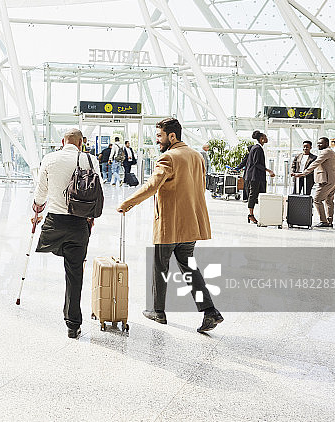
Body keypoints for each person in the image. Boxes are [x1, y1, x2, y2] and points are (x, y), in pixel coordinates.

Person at [117, 118, 224, 334]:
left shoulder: (168, 158)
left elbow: (151, 186)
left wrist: (127, 203)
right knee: (190, 268)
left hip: (170, 224)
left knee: (160, 266)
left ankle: (158, 311)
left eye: (159, 136)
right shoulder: (196, 156)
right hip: (190, 223)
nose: (157, 141)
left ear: (171, 136)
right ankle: (210, 311)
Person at [31, 128, 101, 339]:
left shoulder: (50, 158)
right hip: (79, 223)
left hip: (54, 223)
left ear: (63, 141)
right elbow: (96, 189)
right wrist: (91, 217)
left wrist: (37, 208)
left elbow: (41, 190)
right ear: (81, 143)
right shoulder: (90, 160)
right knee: (74, 272)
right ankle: (72, 324)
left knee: (57, 248)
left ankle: (63, 250)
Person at [292, 137, 335, 227]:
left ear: (326, 143)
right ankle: (329, 220)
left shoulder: (326, 152)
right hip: (332, 180)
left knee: (317, 200)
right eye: (317, 143)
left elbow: (316, 163)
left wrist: (303, 173)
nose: (318, 145)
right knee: (329, 201)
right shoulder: (331, 152)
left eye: (320, 143)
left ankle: (323, 221)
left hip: (326, 180)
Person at [235, 130, 275, 224]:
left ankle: (258, 214)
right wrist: (269, 171)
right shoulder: (257, 149)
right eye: (265, 137)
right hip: (254, 176)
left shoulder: (255, 148)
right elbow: (256, 163)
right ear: (261, 139)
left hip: (254, 176)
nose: (267, 138)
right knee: (252, 195)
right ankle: (251, 215)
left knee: (257, 195)